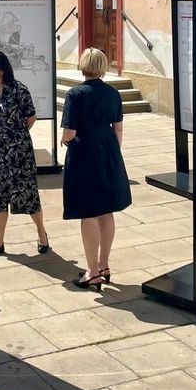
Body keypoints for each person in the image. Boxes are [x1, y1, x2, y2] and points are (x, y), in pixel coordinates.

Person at [61, 47, 132, 291]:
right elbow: (118, 128)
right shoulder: (113, 93)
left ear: (83, 65)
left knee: (89, 211)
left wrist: (65, 140)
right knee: (106, 210)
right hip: (109, 151)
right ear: (102, 66)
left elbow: (70, 131)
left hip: (85, 154)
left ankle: (91, 272)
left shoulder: (76, 94)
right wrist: (113, 152)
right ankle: (104, 265)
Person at [0, 50, 49, 258]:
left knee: (27, 193)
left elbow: (31, 117)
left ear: (0, 70)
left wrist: (16, 135)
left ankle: (42, 234)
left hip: (19, 151)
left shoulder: (20, 90)